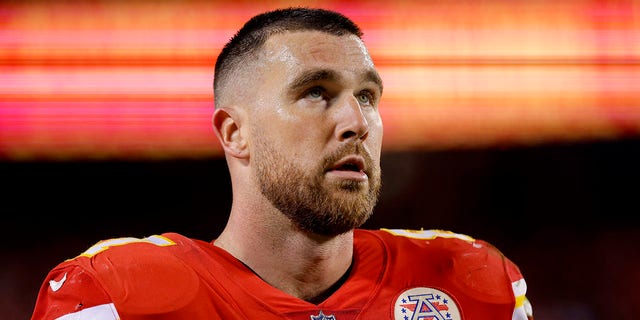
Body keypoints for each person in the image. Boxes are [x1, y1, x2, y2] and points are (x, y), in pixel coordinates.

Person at [31, 7, 533, 320]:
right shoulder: (113, 297)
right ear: (236, 133)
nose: (356, 121)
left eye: (367, 95)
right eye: (317, 92)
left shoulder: (471, 283)